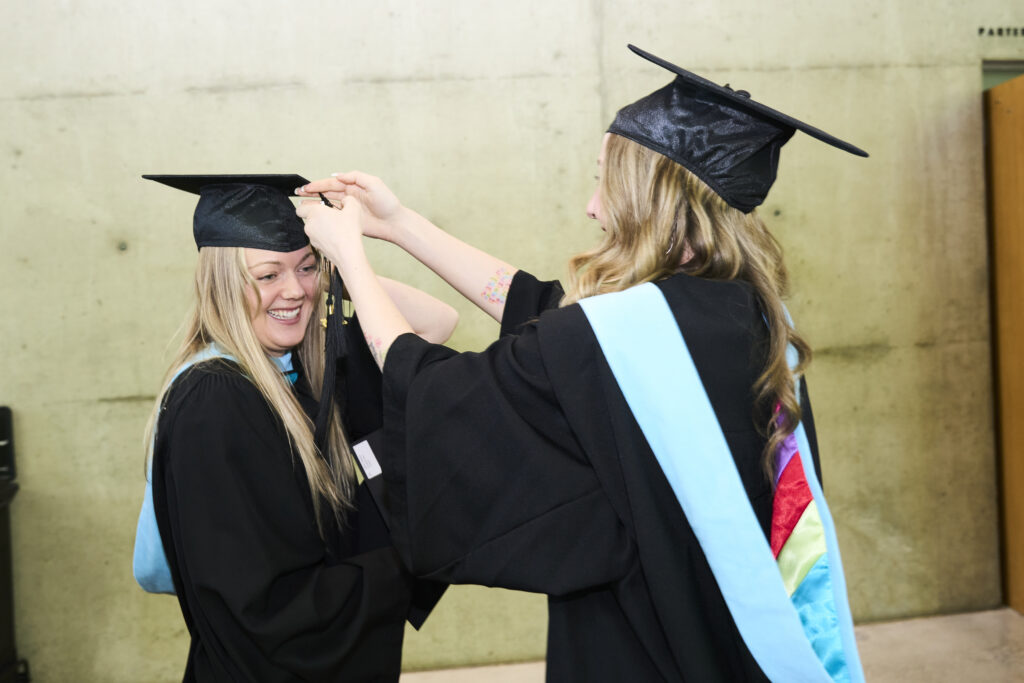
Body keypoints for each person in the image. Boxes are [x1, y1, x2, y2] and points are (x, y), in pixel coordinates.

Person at [297, 46, 866, 682]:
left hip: (641, 641)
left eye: (606, 181)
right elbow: (545, 311)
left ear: (653, 198)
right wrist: (402, 226)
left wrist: (349, 257)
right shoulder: (748, 315)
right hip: (726, 631)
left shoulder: (620, 334)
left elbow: (434, 392)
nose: (593, 205)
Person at [139, 174, 456, 682]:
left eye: (306, 267)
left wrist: (338, 268)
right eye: (267, 275)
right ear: (223, 285)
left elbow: (436, 323)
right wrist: (412, 558)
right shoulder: (216, 399)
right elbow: (263, 609)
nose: (294, 291)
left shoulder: (303, 370)